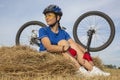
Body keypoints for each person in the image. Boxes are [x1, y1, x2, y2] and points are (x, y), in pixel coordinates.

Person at [38, 4, 110, 77]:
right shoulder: (43, 30)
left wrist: (86, 52)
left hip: (63, 54)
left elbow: (74, 44)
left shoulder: (63, 32)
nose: (46, 18)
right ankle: (80, 71)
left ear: (58, 17)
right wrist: (64, 48)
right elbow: (48, 47)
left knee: (70, 44)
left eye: (49, 15)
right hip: (47, 55)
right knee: (62, 43)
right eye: (46, 16)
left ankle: (92, 70)